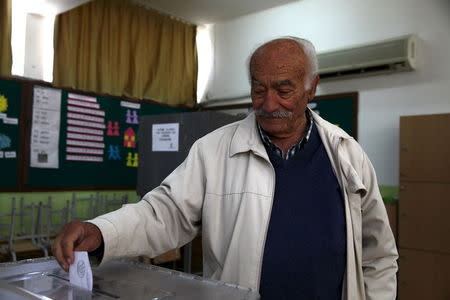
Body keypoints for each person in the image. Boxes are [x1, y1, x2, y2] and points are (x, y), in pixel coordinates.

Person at [53, 37, 398, 299]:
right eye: (258, 89)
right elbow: (165, 213)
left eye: (284, 90)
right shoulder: (214, 150)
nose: (269, 103)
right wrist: (102, 233)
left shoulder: (347, 155)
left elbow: (378, 253)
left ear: (311, 88)